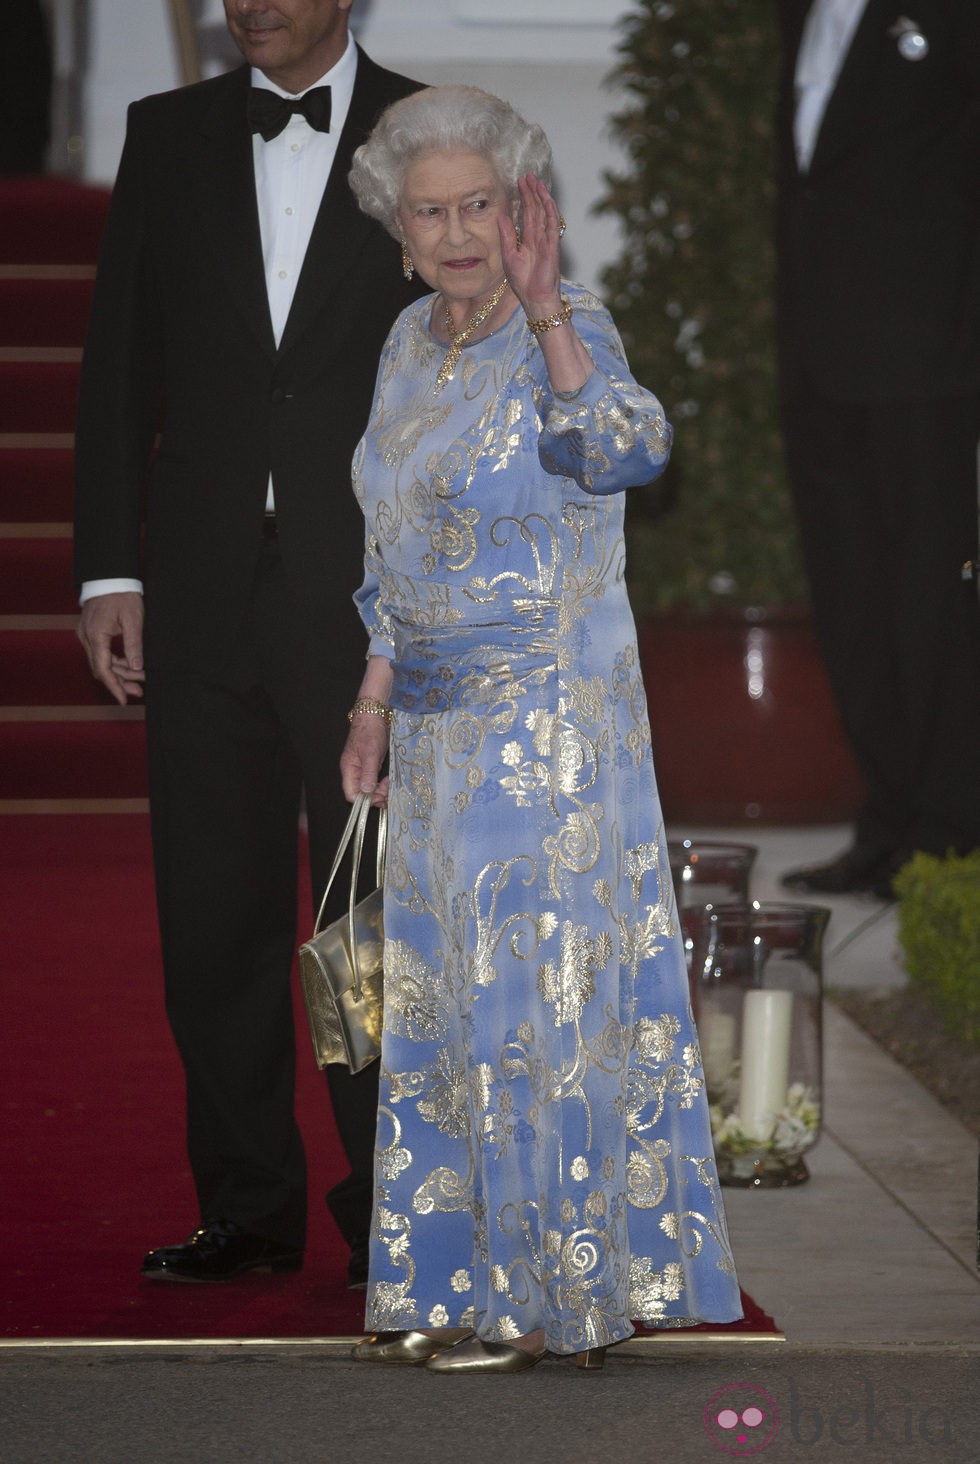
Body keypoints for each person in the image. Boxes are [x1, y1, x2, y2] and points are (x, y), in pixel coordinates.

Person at [338, 85, 742, 1373]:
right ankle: (455, 1283)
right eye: (430, 212)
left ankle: (548, 1296)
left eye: (478, 207)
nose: (457, 234)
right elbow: (391, 548)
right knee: (448, 1007)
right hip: (440, 737)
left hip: (547, 732)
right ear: (397, 230)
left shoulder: (566, 330)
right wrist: (371, 702)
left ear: (518, 215)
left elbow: (625, 449)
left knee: (531, 1010)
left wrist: (553, 307)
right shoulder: (405, 342)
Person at [72, 0, 423, 1287]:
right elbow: (119, 358)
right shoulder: (165, 135)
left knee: (368, 917)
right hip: (201, 584)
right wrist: (112, 566)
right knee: (210, 912)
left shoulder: (426, 129)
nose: (254, 2)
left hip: (368, 599)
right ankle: (248, 1205)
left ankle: (396, 1206)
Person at [774, 0, 980, 899]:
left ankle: (950, 839)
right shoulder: (802, 13)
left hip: (929, 360)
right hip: (819, 359)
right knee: (854, 611)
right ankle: (890, 827)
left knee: (932, 611)